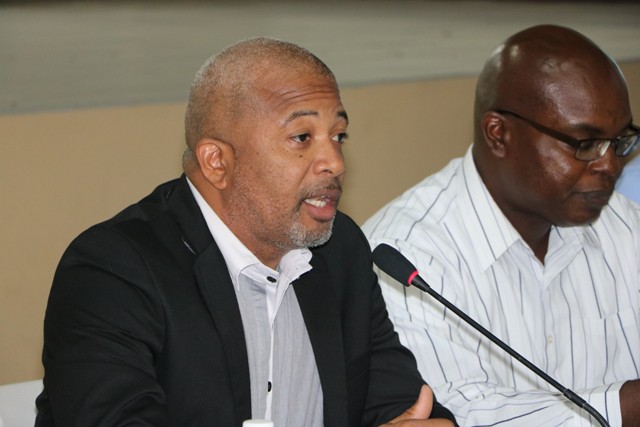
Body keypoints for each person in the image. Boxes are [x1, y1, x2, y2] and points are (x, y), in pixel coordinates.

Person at [34, 37, 457, 426]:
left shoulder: (339, 249)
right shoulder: (112, 272)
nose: (335, 162)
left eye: (339, 135)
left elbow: (399, 404)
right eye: (301, 137)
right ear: (216, 162)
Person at [364, 25, 640, 426]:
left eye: (620, 142)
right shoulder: (406, 259)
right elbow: (460, 415)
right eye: (585, 144)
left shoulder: (624, 226)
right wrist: (625, 407)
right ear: (498, 134)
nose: (609, 165)